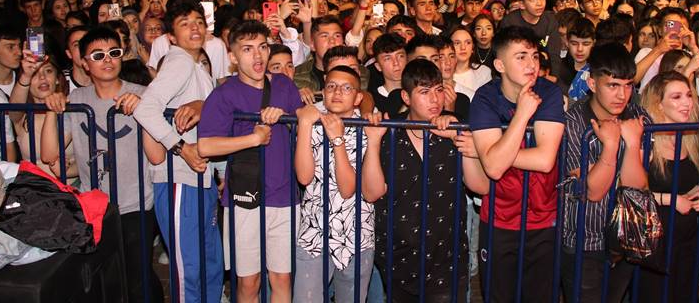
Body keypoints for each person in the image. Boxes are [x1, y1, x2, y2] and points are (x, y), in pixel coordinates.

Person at [39, 25, 163, 303]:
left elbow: (157, 156)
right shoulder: (77, 100)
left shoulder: (143, 93)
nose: (107, 60)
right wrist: (52, 109)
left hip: (137, 204)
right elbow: (49, 154)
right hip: (94, 206)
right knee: (104, 278)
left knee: (137, 277)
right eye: (97, 55)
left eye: (113, 53)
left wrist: (144, 109)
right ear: (84, 63)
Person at [363, 59, 488, 302]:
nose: (434, 99)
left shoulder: (455, 128)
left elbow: (480, 186)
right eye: (424, 92)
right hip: (397, 256)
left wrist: (460, 139)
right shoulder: (389, 132)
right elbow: (371, 193)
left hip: (447, 256)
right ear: (406, 97)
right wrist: (373, 141)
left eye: (438, 90)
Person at [197, 20, 302, 303]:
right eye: (247, 49)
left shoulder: (283, 84)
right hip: (245, 198)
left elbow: (305, 124)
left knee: (282, 277)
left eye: (262, 47)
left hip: (284, 195)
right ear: (233, 56)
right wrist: (252, 139)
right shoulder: (224, 94)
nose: (257, 56)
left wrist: (288, 117)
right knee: (248, 282)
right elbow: (205, 146)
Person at [133, 0, 221, 303]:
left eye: (198, 21)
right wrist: (181, 147)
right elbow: (146, 110)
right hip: (179, 179)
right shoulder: (178, 61)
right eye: (185, 24)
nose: (194, 28)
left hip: (200, 177)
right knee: (190, 268)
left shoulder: (197, 65)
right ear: (171, 35)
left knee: (209, 262)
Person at [469, 25, 565, 303]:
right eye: (521, 57)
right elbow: (495, 169)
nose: (532, 64)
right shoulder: (485, 98)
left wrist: (491, 151)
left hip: (543, 217)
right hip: (499, 218)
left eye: (535, 56)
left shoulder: (549, 93)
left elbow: (545, 160)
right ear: (499, 64)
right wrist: (522, 115)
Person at [560, 43, 648, 303]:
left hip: (625, 235)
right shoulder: (573, 121)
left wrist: (631, 144)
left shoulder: (637, 116)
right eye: (613, 85)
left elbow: (637, 186)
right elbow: (593, 191)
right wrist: (610, 147)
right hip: (583, 238)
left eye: (628, 85)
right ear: (592, 83)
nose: (622, 95)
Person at [293, 65, 374, 302]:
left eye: (346, 88)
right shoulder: (313, 123)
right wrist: (305, 126)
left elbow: (348, 188)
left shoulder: (366, 129)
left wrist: (337, 139)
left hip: (355, 232)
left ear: (358, 97)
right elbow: (304, 177)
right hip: (313, 230)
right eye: (331, 86)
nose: (337, 92)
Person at [638, 71, 699, 303]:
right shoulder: (646, 140)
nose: (687, 102)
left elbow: (683, 183)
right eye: (676, 97)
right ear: (658, 104)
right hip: (655, 241)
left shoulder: (689, 136)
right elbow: (630, 193)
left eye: (689, 95)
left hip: (686, 238)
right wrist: (671, 199)